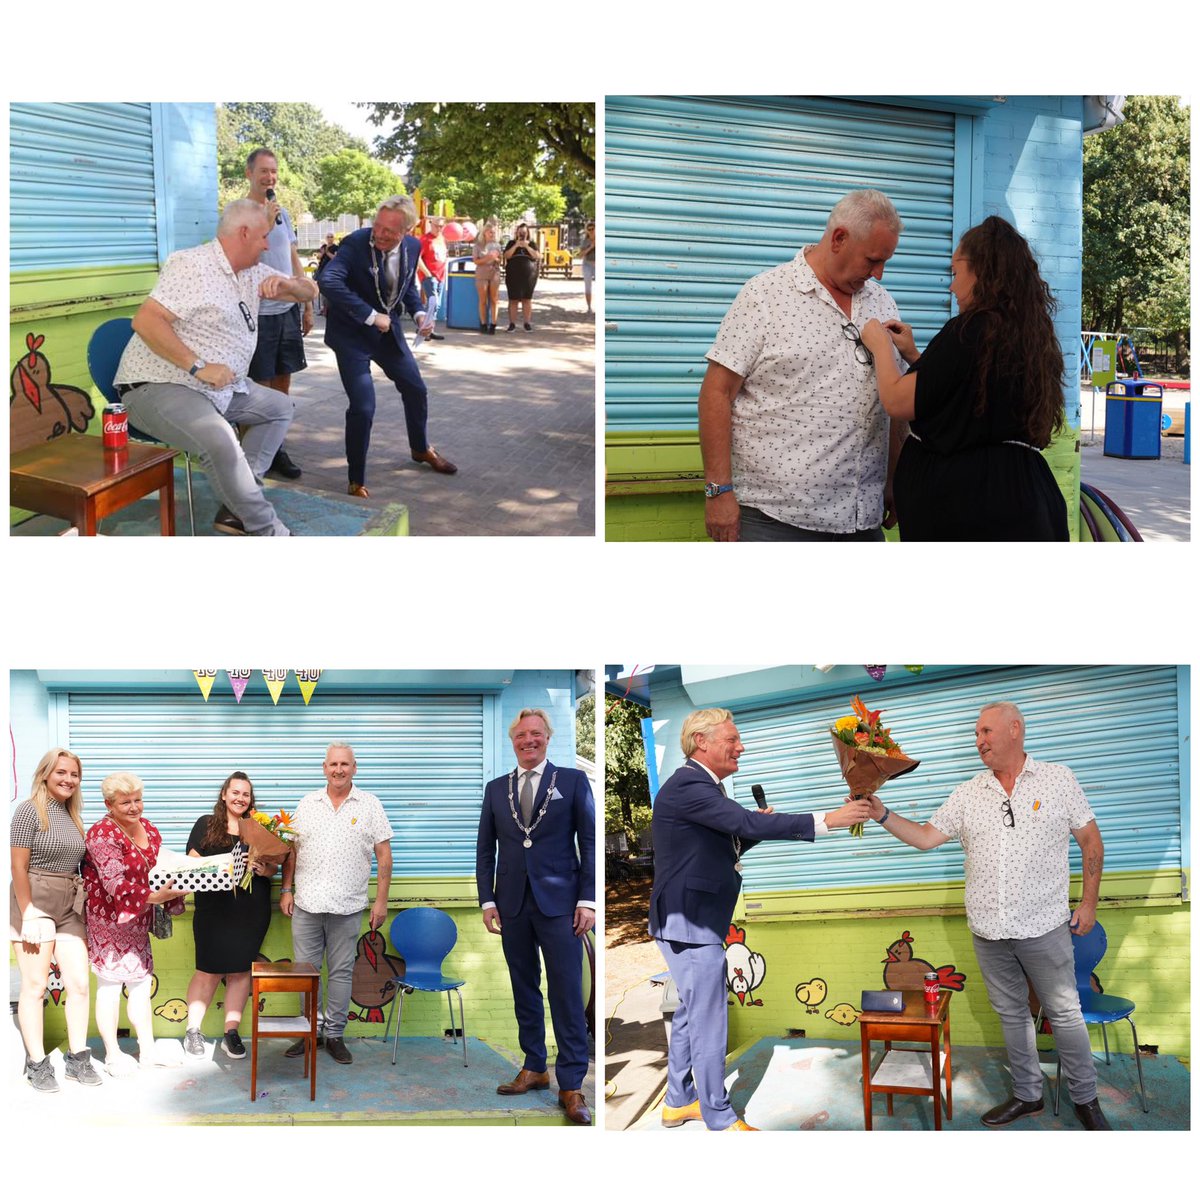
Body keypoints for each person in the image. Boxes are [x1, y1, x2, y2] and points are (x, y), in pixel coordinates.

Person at [864, 701, 1109, 1129]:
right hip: (988, 931)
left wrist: (1088, 903)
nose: (979, 742)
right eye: (976, 735)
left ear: (1015, 730)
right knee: (1012, 1015)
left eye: (986, 733)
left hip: (1044, 926)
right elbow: (925, 837)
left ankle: (1086, 1099)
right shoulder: (969, 793)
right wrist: (881, 813)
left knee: (1065, 1013)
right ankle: (1028, 1095)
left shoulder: (1058, 779)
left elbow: (1091, 841)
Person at [649, 709, 872, 1130]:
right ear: (702, 742)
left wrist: (753, 831)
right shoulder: (690, 785)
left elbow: (723, 840)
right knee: (709, 1017)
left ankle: (679, 1100)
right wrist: (827, 820)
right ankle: (717, 1113)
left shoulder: (703, 787)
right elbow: (738, 821)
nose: (741, 747)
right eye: (731, 739)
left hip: (691, 919)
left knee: (690, 1012)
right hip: (688, 920)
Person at [698, 189, 907, 542]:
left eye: (885, 261)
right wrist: (718, 491)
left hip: (861, 520)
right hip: (774, 520)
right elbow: (716, 393)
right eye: (872, 260)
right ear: (839, 238)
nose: (880, 274)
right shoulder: (765, 295)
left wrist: (895, 479)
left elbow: (894, 398)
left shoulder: (882, 303)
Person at [114, 198, 317, 536]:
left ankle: (237, 506)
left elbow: (308, 290)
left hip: (220, 388)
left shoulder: (252, 272)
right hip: (161, 384)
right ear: (243, 233)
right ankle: (268, 530)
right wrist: (199, 366)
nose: (268, 245)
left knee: (279, 407)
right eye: (264, 237)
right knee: (223, 440)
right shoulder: (192, 265)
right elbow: (146, 321)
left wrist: (292, 286)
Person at [860, 215, 1069, 540]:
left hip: (974, 509)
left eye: (956, 273)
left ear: (983, 272)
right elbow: (967, 388)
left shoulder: (969, 329)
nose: (952, 285)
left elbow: (898, 401)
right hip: (1024, 497)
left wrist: (880, 348)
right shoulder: (1026, 334)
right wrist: (914, 357)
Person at [476, 709, 596, 1126]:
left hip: (562, 906)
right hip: (511, 906)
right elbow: (484, 851)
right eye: (522, 735)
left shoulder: (574, 781)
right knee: (524, 989)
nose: (529, 740)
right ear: (513, 741)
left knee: (566, 992)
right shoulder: (495, 790)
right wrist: (487, 901)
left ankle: (572, 1084)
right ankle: (534, 1066)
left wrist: (588, 900)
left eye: (536, 734)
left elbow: (591, 843)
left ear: (547, 738)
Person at [320, 196, 457, 498]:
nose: (379, 234)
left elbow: (406, 285)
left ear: (407, 230)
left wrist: (420, 314)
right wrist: (370, 315)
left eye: (389, 231)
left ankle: (420, 449)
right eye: (377, 227)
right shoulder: (356, 242)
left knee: (416, 389)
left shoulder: (412, 246)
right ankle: (356, 479)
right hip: (351, 336)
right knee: (364, 406)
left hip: (388, 334)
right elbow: (328, 280)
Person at [279, 742, 393, 1065]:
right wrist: (286, 889)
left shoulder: (370, 805)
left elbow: (384, 856)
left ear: (354, 767)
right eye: (333, 764)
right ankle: (309, 1031)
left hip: (349, 906)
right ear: (324, 768)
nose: (339, 770)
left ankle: (334, 1035)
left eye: (345, 764)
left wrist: (381, 902)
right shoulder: (307, 803)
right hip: (307, 904)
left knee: (342, 972)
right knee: (306, 973)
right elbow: (292, 850)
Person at [81, 772, 187, 1076]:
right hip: (109, 921)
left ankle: (148, 1051)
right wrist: (156, 896)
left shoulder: (149, 829)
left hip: (138, 920)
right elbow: (114, 884)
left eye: (137, 799)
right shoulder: (102, 834)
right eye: (125, 802)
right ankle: (113, 1054)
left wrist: (182, 880)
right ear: (108, 804)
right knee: (110, 987)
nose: (134, 807)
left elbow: (158, 868)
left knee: (141, 984)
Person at [9, 749, 100, 1092]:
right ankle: (37, 1063)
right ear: (45, 773)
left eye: (74, 774)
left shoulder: (70, 815)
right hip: (35, 897)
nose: (68, 779)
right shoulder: (28, 810)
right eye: (61, 772)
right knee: (35, 987)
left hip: (69, 905)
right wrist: (28, 910)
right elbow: (18, 865)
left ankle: (78, 1058)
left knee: (78, 984)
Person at [182, 772, 275, 1061]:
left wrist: (260, 867)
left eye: (246, 794)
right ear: (224, 794)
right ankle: (193, 1030)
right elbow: (191, 861)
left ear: (251, 799)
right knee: (208, 970)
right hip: (214, 908)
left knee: (240, 971)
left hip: (251, 910)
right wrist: (225, 864)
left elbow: (273, 868)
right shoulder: (206, 824)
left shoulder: (259, 827)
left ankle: (230, 1033)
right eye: (235, 792)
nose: (240, 798)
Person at [244, 147, 310, 481]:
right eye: (263, 172)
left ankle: (277, 447)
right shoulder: (239, 212)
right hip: (258, 313)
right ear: (249, 174)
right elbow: (241, 254)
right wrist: (265, 222)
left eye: (274, 171)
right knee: (260, 385)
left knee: (283, 379)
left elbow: (293, 257)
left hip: (287, 310)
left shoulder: (283, 213)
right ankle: (251, 454)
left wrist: (306, 302)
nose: (270, 178)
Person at [503, 223, 541, 331]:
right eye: (520, 232)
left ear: (528, 233)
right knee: (513, 299)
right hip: (513, 276)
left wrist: (526, 246)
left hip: (529, 277)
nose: (522, 234)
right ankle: (512, 324)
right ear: (517, 232)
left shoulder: (532, 244)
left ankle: (527, 323)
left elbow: (537, 256)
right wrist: (516, 245)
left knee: (527, 299)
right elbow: (506, 256)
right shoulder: (511, 243)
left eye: (524, 232)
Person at [417, 216, 448, 341]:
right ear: (431, 224)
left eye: (441, 226)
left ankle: (429, 329)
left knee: (436, 305)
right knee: (433, 303)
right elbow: (418, 258)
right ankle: (425, 329)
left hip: (440, 276)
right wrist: (428, 274)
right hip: (430, 276)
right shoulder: (425, 239)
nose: (439, 228)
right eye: (436, 225)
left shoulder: (442, 239)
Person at [472, 223, 503, 334]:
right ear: (484, 233)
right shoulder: (478, 246)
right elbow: (476, 261)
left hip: (494, 273)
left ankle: (493, 324)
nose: (492, 234)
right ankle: (483, 323)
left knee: (494, 299)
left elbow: (501, 260)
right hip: (482, 274)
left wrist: (496, 259)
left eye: (494, 232)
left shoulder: (497, 245)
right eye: (490, 232)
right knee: (483, 300)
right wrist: (488, 258)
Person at [314, 233, 339, 315]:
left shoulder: (336, 248)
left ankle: (328, 309)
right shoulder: (323, 247)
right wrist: (322, 253)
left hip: (330, 270)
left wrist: (327, 252)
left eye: (331, 237)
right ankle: (323, 308)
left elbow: (335, 258)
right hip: (321, 269)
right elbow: (319, 257)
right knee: (321, 290)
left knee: (329, 289)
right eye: (328, 237)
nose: (329, 238)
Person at [579, 221, 596, 315]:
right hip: (587, 265)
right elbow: (580, 255)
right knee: (588, 287)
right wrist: (590, 247)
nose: (591, 231)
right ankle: (589, 307)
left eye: (592, 228)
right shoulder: (585, 241)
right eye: (589, 229)